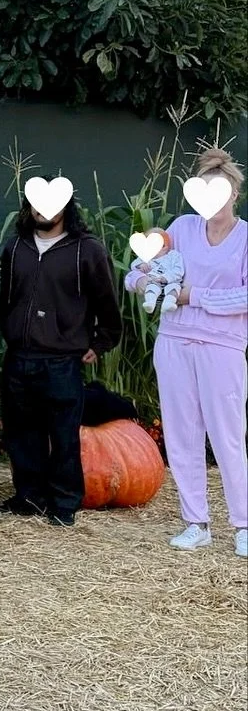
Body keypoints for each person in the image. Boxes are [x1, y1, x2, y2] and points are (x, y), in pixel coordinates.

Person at [125, 147, 246, 555]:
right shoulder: (182, 226)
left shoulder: (245, 237)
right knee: (181, 435)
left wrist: (197, 296)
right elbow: (141, 267)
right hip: (174, 343)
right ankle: (196, 522)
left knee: (228, 438)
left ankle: (243, 524)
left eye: (222, 191)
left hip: (222, 347)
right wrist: (139, 283)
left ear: (234, 194)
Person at [0, 190, 121, 526]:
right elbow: (6, 298)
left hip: (62, 359)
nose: (43, 210)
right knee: (21, 433)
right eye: (36, 203)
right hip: (20, 355)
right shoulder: (16, 248)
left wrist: (103, 340)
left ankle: (65, 502)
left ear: (66, 206)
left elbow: (107, 300)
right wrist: (9, 330)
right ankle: (29, 497)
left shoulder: (87, 249)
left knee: (63, 435)